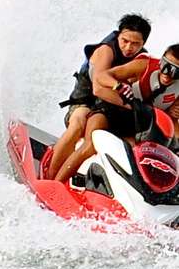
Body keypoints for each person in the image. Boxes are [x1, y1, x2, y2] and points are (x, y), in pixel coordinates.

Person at [45, 13, 151, 180]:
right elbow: (98, 89)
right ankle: (49, 177)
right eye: (125, 41)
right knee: (78, 125)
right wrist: (130, 106)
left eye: (135, 43)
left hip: (109, 107)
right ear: (119, 35)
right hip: (85, 101)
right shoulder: (105, 51)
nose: (128, 47)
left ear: (143, 43)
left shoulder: (141, 59)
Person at [53, 44, 179, 183]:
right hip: (112, 110)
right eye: (165, 67)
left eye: (176, 72)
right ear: (161, 61)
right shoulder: (144, 65)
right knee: (90, 145)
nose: (168, 75)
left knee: (140, 157)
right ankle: (56, 182)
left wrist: (171, 116)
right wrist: (117, 85)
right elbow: (102, 76)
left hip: (137, 125)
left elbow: (172, 124)